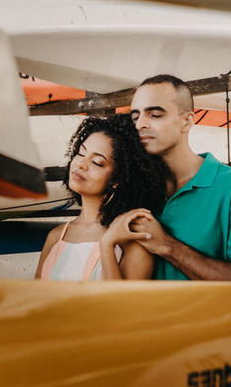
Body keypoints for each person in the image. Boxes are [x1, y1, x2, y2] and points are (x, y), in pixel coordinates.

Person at [120, 74, 231, 281]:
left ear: (187, 121)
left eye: (155, 114)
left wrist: (166, 245)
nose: (140, 124)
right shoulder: (130, 188)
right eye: (135, 117)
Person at [35, 114, 167, 281]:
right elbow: (36, 298)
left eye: (97, 162)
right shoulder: (56, 236)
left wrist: (107, 245)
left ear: (117, 179)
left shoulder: (133, 243)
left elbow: (124, 305)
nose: (81, 164)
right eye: (81, 153)